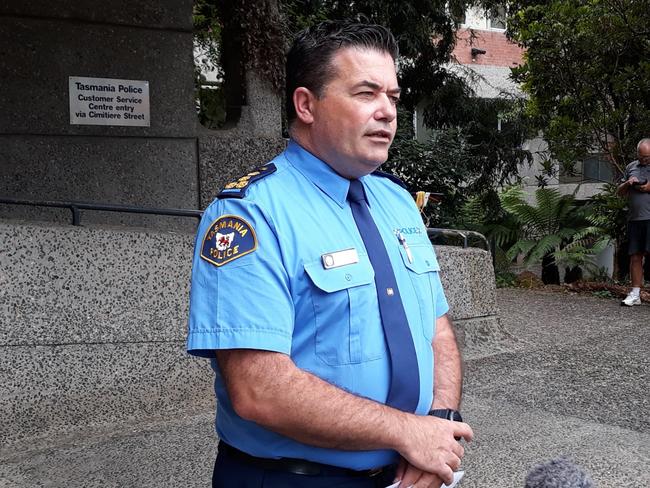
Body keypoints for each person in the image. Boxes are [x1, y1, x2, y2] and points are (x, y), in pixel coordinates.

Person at [187, 19, 473, 488]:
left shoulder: (396, 201)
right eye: (366, 94)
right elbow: (259, 388)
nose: (387, 112)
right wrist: (407, 430)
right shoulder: (251, 216)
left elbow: (436, 327)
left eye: (394, 97)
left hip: (409, 472)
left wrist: (438, 426)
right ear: (306, 105)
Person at [617, 138, 650, 306]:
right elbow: (620, 192)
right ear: (637, 153)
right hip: (635, 219)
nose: (644, 160)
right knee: (635, 256)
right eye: (642, 156)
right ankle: (635, 294)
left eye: (648, 157)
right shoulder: (631, 167)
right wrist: (628, 184)